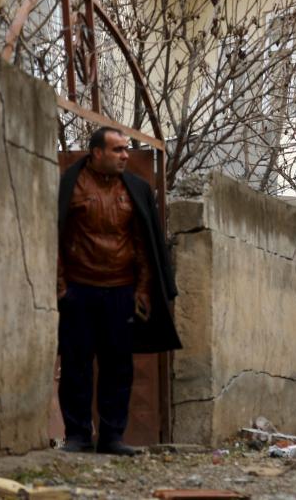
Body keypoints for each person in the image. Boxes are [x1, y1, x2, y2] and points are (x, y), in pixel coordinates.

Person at [57, 126, 181, 455]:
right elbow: (54, 234)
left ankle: (112, 436)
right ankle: (78, 435)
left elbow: (144, 245)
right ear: (96, 153)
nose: (125, 155)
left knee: (118, 367)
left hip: (120, 290)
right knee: (76, 365)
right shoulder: (71, 184)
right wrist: (60, 287)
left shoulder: (136, 189)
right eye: (117, 150)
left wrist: (143, 290)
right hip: (79, 290)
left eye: (127, 149)